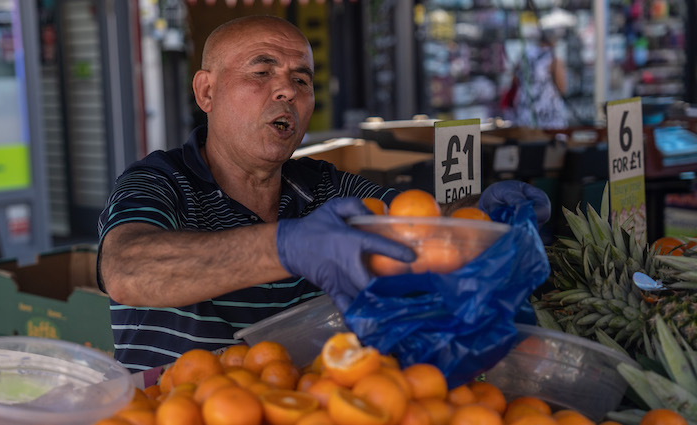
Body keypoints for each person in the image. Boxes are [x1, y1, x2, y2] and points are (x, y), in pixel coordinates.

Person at [97, 15, 551, 372]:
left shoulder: (327, 188)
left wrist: (476, 221)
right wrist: (287, 246)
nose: (286, 91)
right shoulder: (160, 181)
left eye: (302, 80)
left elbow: (416, 227)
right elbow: (126, 268)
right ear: (206, 91)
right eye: (262, 71)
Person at [510, 36, 569, 129]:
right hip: (548, 115)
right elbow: (562, 87)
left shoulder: (524, 55)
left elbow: (514, 80)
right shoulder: (553, 58)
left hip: (526, 113)